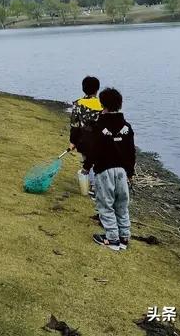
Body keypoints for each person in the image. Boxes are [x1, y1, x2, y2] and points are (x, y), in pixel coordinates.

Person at [83, 87, 135, 251]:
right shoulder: (127, 127)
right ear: (120, 104)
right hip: (122, 172)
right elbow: (131, 151)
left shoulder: (99, 125)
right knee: (121, 204)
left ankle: (112, 238)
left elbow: (93, 149)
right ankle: (124, 237)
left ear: (102, 104)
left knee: (105, 204)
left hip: (104, 170)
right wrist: (130, 172)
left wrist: (86, 166)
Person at [69, 76, 102, 195]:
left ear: (83, 88)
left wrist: (72, 141)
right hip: (101, 140)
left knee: (87, 161)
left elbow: (75, 125)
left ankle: (92, 185)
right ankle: (97, 185)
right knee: (98, 162)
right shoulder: (103, 104)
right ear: (97, 89)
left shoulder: (78, 104)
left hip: (84, 140)